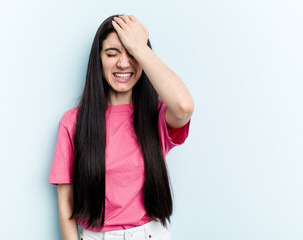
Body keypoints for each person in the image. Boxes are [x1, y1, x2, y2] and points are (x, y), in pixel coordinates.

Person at [48, 14, 194, 240]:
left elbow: (184, 107)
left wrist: (141, 48)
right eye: (112, 53)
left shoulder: (157, 115)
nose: (123, 63)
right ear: (98, 59)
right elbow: (66, 200)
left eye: (131, 54)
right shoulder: (73, 122)